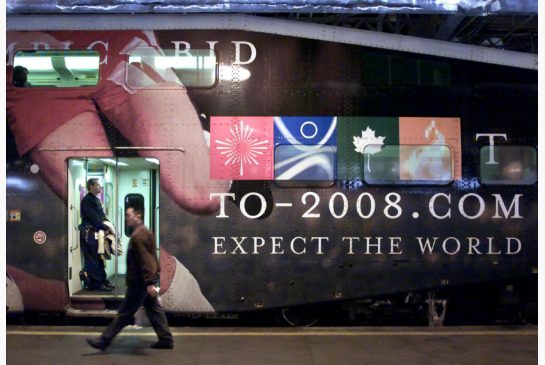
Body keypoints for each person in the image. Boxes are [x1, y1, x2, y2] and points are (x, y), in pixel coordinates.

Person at [87, 206, 173, 351]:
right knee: (154, 309)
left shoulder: (139, 235)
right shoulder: (142, 232)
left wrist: (149, 282)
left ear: (137, 216)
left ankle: (104, 341)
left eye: (128, 215)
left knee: (124, 313)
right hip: (142, 282)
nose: (126, 218)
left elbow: (147, 261)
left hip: (139, 283)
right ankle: (166, 339)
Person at [79, 178, 113, 291]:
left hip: (96, 232)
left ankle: (103, 280)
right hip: (89, 232)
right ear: (91, 186)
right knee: (93, 258)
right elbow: (93, 218)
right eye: (98, 185)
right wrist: (105, 227)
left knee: (99, 257)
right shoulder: (87, 200)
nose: (100, 187)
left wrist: (108, 225)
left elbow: (101, 216)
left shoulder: (96, 200)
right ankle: (97, 284)